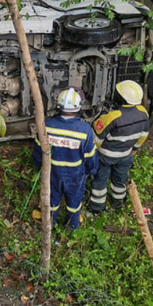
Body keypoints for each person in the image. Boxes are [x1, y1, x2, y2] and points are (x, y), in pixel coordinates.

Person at [32, 88, 98, 230]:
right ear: (78, 108)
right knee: (74, 200)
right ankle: (72, 225)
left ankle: (49, 223)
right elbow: (90, 156)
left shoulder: (47, 125)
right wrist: (91, 170)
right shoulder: (85, 130)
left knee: (52, 198)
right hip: (75, 173)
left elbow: (38, 151)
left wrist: (38, 166)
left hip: (52, 172)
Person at [89, 80, 149, 213]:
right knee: (120, 180)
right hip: (126, 155)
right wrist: (135, 148)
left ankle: (96, 209)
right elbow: (143, 135)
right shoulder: (143, 113)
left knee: (100, 180)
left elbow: (96, 139)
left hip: (105, 156)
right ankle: (118, 204)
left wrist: (92, 153)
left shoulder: (111, 116)